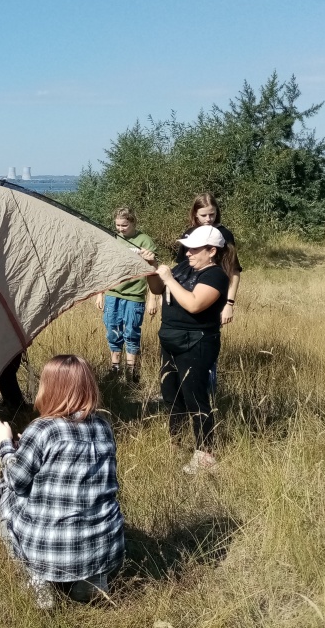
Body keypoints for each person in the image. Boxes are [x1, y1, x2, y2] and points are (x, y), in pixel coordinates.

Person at [0, 355, 124, 609]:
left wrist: (6, 445)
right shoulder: (104, 427)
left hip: (49, 548)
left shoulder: (42, 429)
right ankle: (91, 580)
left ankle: (37, 580)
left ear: (50, 387)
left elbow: (16, 481)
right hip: (105, 548)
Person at [146, 225, 238, 474]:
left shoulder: (216, 276)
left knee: (195, 396)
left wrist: (169, 279)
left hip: (197, 342)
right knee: (171, 395)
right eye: (187, 248)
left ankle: (205, 454)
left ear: (211, 251)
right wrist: (153, 268)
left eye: (194, 249)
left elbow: (194, 304)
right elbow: (157, 289)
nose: (187, 253)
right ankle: (175, 444)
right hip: (170, 339)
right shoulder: (185, 267)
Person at [94, 207, 158, 381]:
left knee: (131, 332)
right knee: (113, 330)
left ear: (133, 222)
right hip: (113, 293)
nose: (120, 229)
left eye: (124, 225)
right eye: (117, 225)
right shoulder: (113, 239)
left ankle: (131, 371)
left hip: (134, 294)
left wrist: (153, 298)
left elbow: (153, 270)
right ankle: (115, 368)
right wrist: (100, 294)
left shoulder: (144, 240)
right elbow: (104, 268)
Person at [174, 193, 242, 326]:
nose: (208, 219)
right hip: (186, 295)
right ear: (195, 214)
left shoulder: (224, 235)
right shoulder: (189, 234)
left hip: (212, 293)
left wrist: (229, 303)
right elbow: (179, 270)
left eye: (212, 214)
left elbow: (233, 271)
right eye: (203, 215)